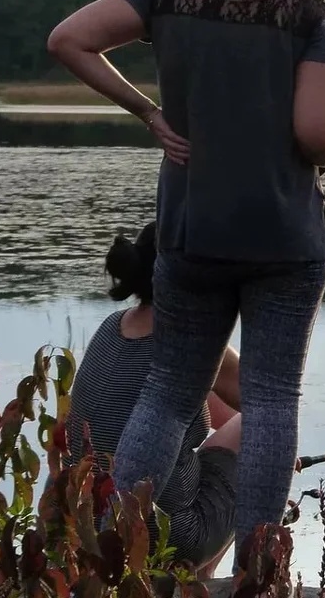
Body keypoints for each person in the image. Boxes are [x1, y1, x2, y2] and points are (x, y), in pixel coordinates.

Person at [46, 0, 325, 576]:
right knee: (268, 402)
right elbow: (315, 138)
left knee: (168, 395)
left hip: (193, 235)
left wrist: (146, 111)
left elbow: (67, 37)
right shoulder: (307, 12)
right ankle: (259, 581)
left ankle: (113, 561)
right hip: (286, 242)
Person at [65, 222, 241, 579]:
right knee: (264, 429)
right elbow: (270, 404)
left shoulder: (112, 327)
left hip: (95, 528)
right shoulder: (194, 340)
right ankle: (204, 577)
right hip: (169, 537)